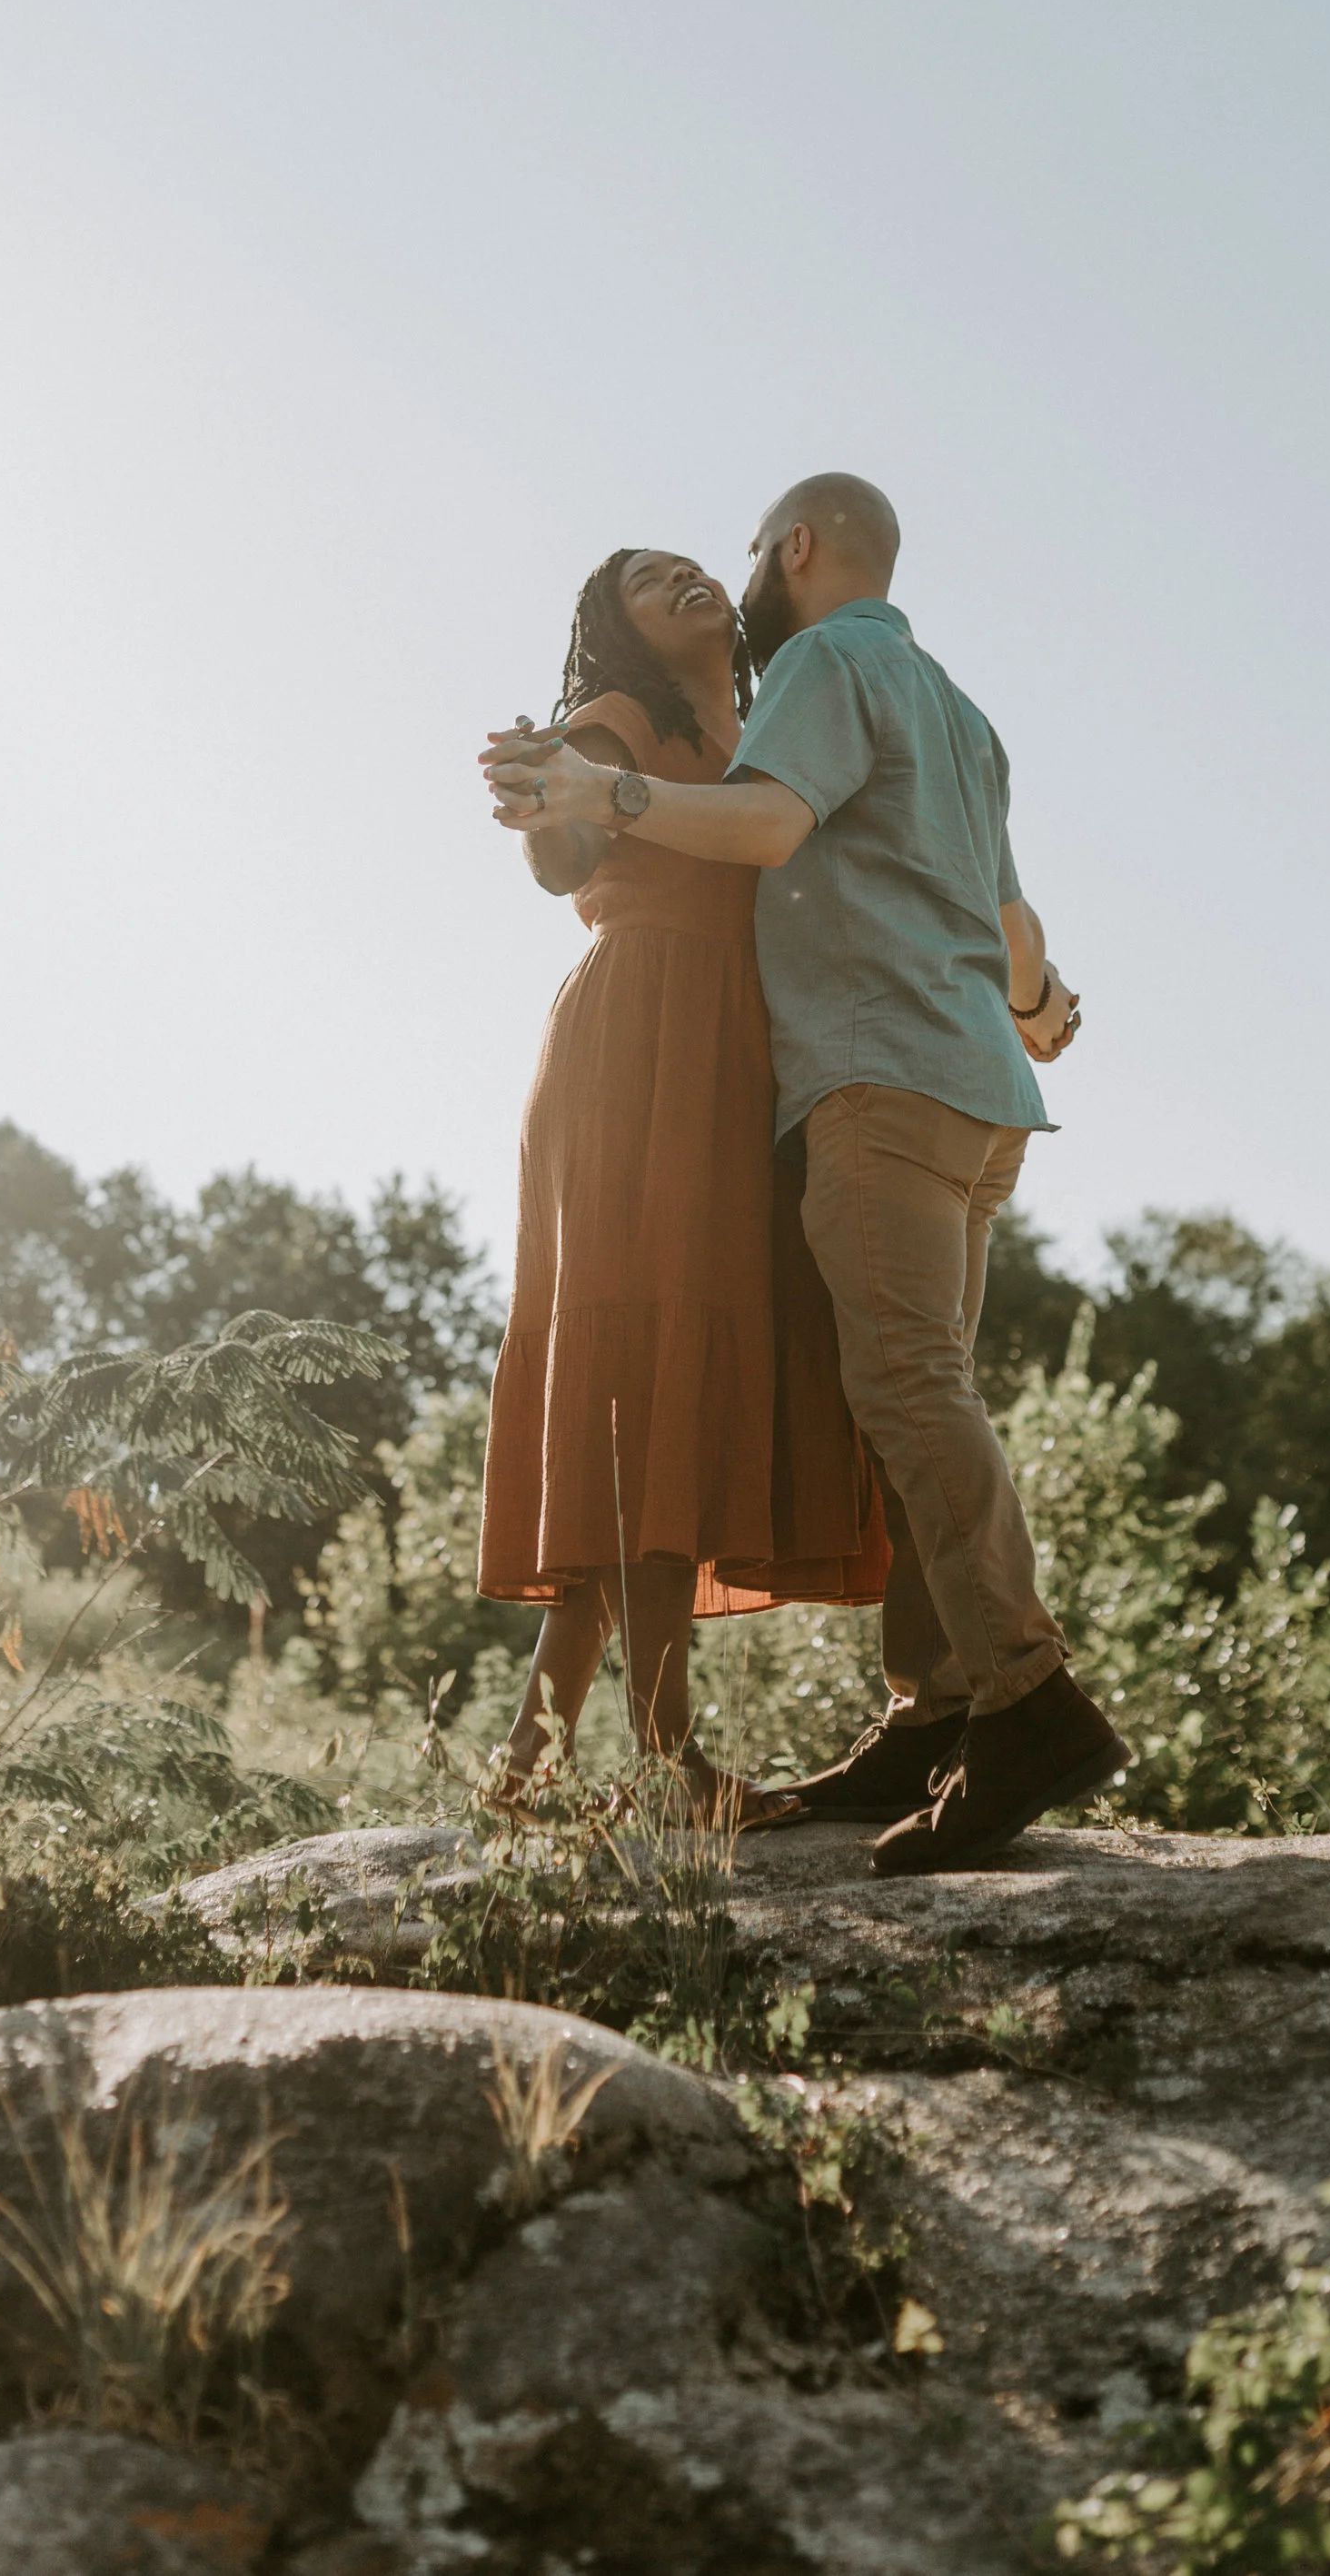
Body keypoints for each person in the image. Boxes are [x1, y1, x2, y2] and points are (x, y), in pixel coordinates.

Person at [483, 473, 1126, 1875]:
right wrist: (1039, 1000)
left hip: (864, 1072)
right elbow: (1004, 911)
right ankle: (932, 1708)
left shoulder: (820, 666)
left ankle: (1021, 1697)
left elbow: (766, 827)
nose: (712, 579)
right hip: (921, 1082)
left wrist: (610, 788)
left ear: (796, 549)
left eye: (724, 557)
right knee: (885, 1387)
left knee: (899, 1387)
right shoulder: (956, 707)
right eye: (656, 572)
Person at [477, 542, 888, 1820]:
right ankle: (668, 1761)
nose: (687, 578)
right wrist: (554, 799)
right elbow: (562, 856)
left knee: (646, 1388)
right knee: (641, 1369)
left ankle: (521, 1772)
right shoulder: (614, 720)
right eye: (651, 578)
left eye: (694, 564)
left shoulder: (761, 726)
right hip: (640, 1036)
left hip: (729, 1049)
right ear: (618, 625)